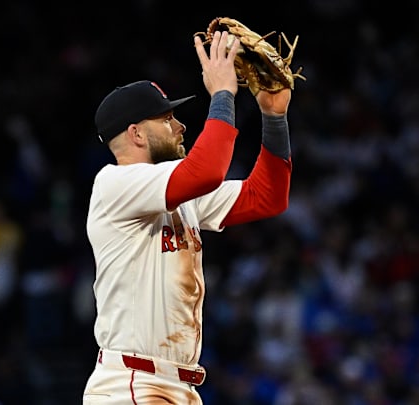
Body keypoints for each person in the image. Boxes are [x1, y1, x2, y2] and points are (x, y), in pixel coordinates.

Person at [82, 30, 293, 404]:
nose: (180, 126)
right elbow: (207, 170)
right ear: (136, 134)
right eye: (167, 119)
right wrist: (223, 93)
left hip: (175, 386)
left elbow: (267, 198)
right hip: (130, 384)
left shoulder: (180, 192)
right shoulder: (114, 184)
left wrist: (273, 117)